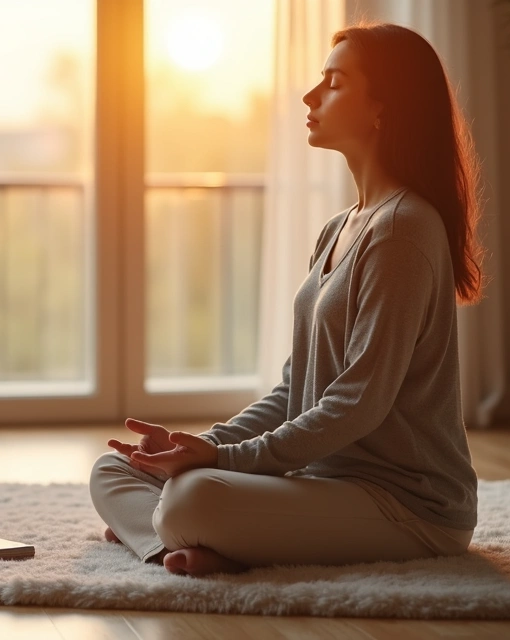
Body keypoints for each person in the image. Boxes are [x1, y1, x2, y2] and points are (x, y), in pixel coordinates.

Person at [89, 22, 484, 577]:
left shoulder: (403, 229)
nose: (310, 96)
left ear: (383, 109)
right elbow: (293, 390)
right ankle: (175, 542)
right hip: (318, 483)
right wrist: (199, 446)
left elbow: (358, 404)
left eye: (335, 83)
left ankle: (165, 530)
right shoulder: (338, 228)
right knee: (114, 470)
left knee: (190, 498)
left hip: (405, 505)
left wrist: (221, 460)